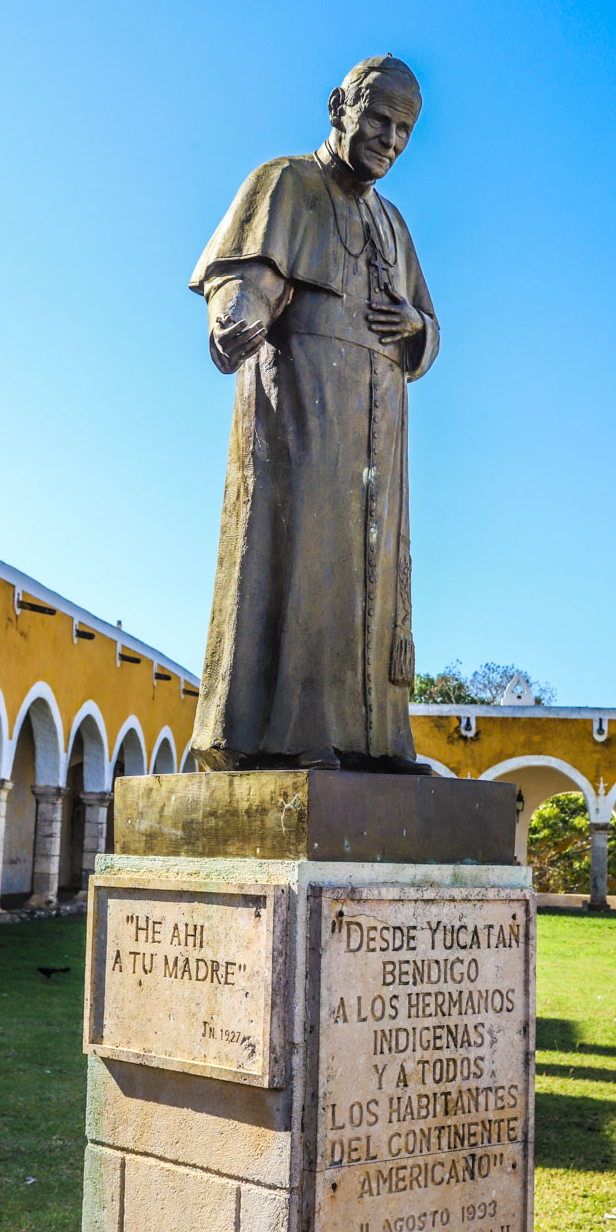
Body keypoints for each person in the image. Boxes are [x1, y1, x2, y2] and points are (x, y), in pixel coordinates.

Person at [189, 55, 439, 773]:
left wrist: (415, 329)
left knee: (375, 575)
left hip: (381, 437)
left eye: (405, 130)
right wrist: (236, 314)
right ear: (339, 106)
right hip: (304, 416)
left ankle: (377, 740)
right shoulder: (285, 184)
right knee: (306, 561)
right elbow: (244, 275)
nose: (390, 139)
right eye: (380, 120)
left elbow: (430, 325)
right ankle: (290, 737)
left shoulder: (394, 226)